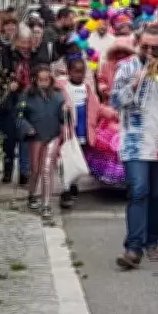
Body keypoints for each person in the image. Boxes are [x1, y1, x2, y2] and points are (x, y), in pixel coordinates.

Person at [111, 24, 158, 269]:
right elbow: (115, 101)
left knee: (157, 195)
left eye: (154, 48)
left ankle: (152, 240)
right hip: (135, 141)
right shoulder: (126, 67)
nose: (148, 52)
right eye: (144, 46)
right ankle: (133, 248)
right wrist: (135, 83)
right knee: (138, 190)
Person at [17, 64, 66, 221]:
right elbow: (18, 117)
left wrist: (66, 113)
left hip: (53, 135)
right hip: (35, 137)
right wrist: (27, 127)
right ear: (35, 80)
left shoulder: (58, 95)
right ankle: (32, 194)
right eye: (40, 80)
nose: (44, 82)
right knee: (35, 169)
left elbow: (62, 117)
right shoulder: (27, 95)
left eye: (47, 79)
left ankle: (46, 204)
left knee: (47, 169)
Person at [57, 58, 100, 209]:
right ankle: (65, 189)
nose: (79, 75)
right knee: (66, 159)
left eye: (82, 71)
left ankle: (73, 183)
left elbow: (96, 107)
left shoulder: (87, 88)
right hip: (68, 130)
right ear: (68, 72)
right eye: (76, 71)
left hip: (83, 129)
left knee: (77, 158)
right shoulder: (63, 87)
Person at [0, 25, 34, 185]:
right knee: (9, 139)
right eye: (22, 41)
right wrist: (7, 84)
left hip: (27, 98)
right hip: (10, 101)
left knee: (25, 135)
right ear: (15, 40)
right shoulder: (7, 54)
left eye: (27, 42)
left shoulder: (32, 56)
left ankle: (24, 173)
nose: (25, 45)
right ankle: (8, 169)